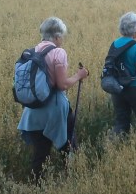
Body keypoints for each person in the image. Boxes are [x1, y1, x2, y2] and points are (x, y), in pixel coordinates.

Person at [17, 16, 89, 182]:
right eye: (61, 36)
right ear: (56, 36)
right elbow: (62, 85)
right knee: (69, 147)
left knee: (40, 154)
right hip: (54, 110)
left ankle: (37, 187)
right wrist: (79, 75)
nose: (62, 40)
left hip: (32, 111)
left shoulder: (31, 52)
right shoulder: (58, 52)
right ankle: (73, 180)